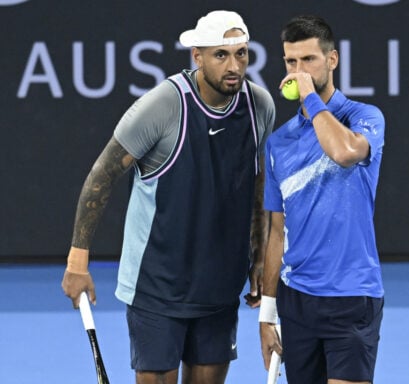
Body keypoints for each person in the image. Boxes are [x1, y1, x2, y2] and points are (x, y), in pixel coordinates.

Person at [61, 10, 275, 384]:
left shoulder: (259, 106)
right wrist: (78, 263)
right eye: (221, 55)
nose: (234, 66)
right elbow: (102, 176)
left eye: (241, 54)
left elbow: (256, 183)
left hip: (220, 287)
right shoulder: (161, 106)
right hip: (157, 287)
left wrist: (258, 256)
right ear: (197, 56)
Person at [258, 15, 385, 384]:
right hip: (296, 300)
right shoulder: (279, 143)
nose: (299, 72)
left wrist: (311, 97)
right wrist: (267, 314)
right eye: (290, 62)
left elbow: (345, 152)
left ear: (332, 60)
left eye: (309, 60)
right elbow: (276, 232)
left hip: (352, 295)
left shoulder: (364, 117)